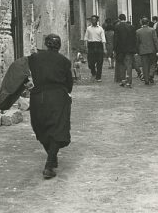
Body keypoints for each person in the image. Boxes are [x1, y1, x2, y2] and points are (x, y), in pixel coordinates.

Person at [26, 34, 73, 179]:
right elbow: (69, 85)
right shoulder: (64, 61)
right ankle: (50, 163)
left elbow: (22, 73)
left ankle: (51, 159)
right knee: (57, 128)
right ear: (59, 46)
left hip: (38, 96)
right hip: (58, 97)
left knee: (41, 128)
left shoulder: (34, 58)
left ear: (46, 44)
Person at [113, 13, 137, 88]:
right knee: (129, 65)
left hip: (120, 49)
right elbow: (134, 39)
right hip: (129, 49)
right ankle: (129, 81)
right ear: (125, 18)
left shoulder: (117, 27)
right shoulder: (131, 27)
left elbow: (116, 39)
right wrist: (134, 49)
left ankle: (123, 80)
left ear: (119, 19)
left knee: (121, 65)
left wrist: (114, 49)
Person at [135, 17, 158, 85]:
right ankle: (151, 74)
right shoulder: (152, 30)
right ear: (148, 23)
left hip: (143, 50)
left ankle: (146, 79)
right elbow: (155, 41)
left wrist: (137, 50)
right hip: (152, 50)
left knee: (145, 65)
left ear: (141, 23)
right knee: (153, 63)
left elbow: (137, 42)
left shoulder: (138, 31)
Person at [83, 15, 106, 82]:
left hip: (99, 45)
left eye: (94, 20)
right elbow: (86, 38)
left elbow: (103, 39)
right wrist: (86, 47)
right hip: (91, 45)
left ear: (97, 21)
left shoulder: (100, 29)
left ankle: (98, 77)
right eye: (92, 20)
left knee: (99, 61)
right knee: (91, 62)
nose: (93, 21)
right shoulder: (88, 29)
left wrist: (104, 48)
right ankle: (93, 72)